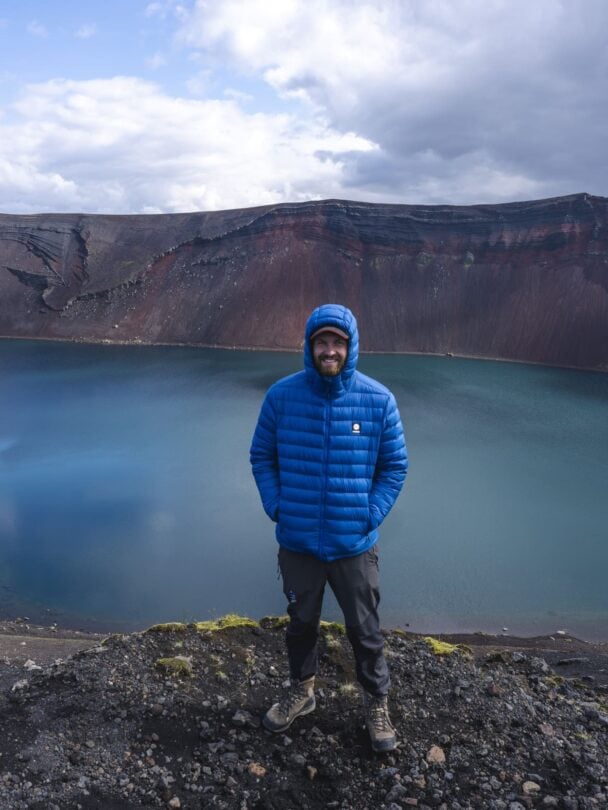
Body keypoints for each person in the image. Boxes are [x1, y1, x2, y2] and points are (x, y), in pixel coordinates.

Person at [250, 303, 408, 752]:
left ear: (351, 346)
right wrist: (277, 504)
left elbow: (394, 466)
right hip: (298, 540)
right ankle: (302, 690)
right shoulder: (282, 397)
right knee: (301, 623)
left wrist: (369, 513)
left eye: (338, 342)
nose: (330, 350)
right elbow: (262, 455)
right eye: (322, 341)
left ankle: (376, 701)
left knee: (365, 627)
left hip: (353, 543)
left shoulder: (378, 400)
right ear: (310, 345)